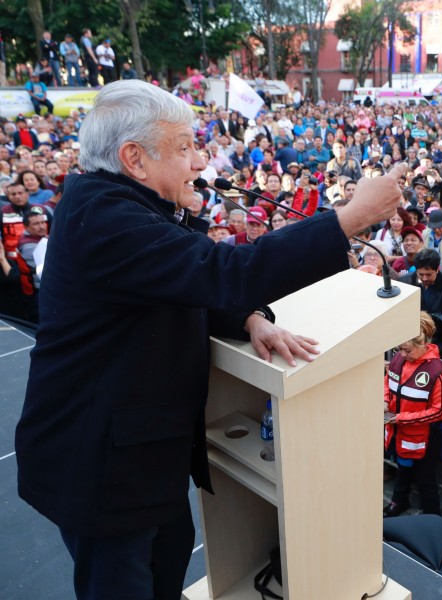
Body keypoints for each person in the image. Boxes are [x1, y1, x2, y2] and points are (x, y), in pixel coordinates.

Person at [14, 80, 408, 600]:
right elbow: (218, 269)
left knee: (167, 560)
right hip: (101, 468)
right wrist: (351, 217)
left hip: (142, 461)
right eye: (183, 147)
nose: (199, 162)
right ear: (134, 158)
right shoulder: (106, 218)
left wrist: (247, 319)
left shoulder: (117, 203)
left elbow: (178, 281)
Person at [383, 312, 442, 517]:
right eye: (399, 348)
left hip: (424, 437)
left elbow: (439, 411)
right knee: (403, 468)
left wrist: (400, 418)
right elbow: (388, 382)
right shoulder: (398, 359)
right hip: (399, 432)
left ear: (422, 344)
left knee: (425, 479)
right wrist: (385, 401)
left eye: (407, 349)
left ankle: (432, 517)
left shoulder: (438, 372)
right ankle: (399, 500)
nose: (401, 354)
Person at [399, 249, 442, 358]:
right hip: (408, 338)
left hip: (437, 341)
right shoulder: (405, 283)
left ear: (437, 270)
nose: (424, 278)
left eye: (429, 274)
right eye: (421, 274)